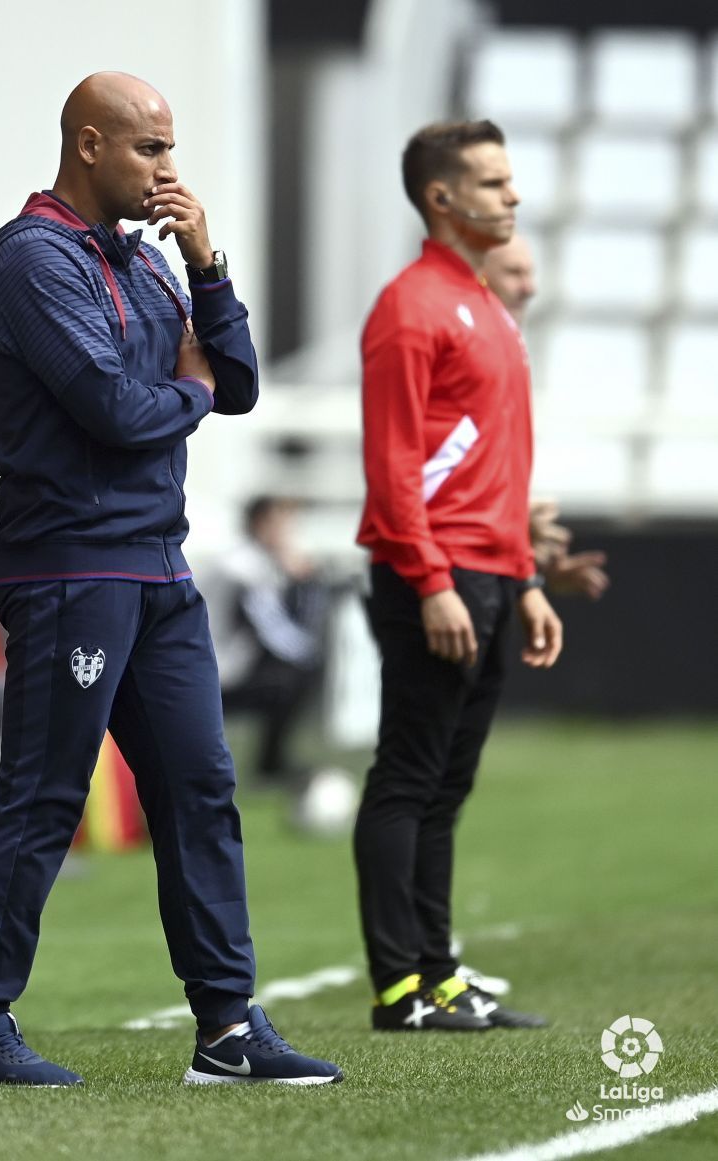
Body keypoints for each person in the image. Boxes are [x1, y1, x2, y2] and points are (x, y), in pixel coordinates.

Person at [0, 72, 342, 1088]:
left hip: (158, 564)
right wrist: (188, 384)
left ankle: (227, 1031)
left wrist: (206, 262)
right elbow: (118, 411)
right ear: (88, 145)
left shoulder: (149, 266)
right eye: (151, 150)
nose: (169, 171)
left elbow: (235, 382)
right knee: (44, 792)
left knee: (201, 789)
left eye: (170, 150)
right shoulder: (31, 260)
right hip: (71, 568)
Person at [354, 120, 562, 1033]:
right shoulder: (412, 307)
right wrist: (434, 578)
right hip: (430, 577)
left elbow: (501, 469)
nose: (511, 196)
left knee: (444, 787)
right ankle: (399, 987)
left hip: (485, 573)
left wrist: (523, 579)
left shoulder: (484, 306)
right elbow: (394, 464)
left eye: (510, 181)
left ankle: (440, 976)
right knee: (407, 777)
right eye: (492, 181)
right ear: (443, 198)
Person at [483, 236, 610, 602]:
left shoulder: (508, 358)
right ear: (477, 276)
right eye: (514, 272)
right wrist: (510, 520)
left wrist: (537, 566)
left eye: (531, 273)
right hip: (451, 586)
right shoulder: (457, 363)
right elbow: (432, 482)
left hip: (488, 583)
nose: (530, 287)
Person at [209, 495, 329, 784]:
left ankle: (269, 762)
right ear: (261, 524)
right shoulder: (243, 566)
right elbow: (278, 634)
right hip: (220, 673)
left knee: (297, 673)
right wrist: (306, 582)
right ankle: (269, 764)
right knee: (300, 674)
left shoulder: (253, 561)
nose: (289, 533)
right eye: (283, 524)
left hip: (227, 668)